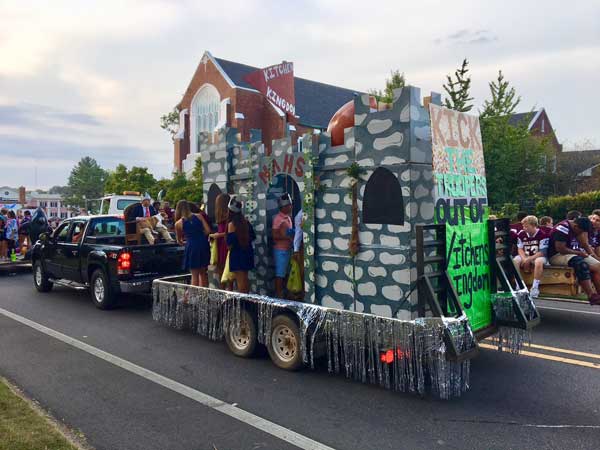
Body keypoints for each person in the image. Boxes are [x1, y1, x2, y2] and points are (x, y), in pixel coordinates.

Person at [548, 216, 600, 305]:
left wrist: (594, 256)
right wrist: (579, 253)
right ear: (576, 226)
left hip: (574, 253)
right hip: (557, 255)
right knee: (581, 263)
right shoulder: (562, 228)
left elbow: (584, 244)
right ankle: (591, 295)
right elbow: (561, 249)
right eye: (581, 231)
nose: (581, 234)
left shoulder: (578, 227)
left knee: (597, 265)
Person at [175, 200, 211, 287]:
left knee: (194, 275)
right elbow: (208, 231)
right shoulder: (199, 216)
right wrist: (199, 235)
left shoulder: (178, 223)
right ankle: (204, 293)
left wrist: (185, 242)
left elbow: (179, 240)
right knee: (203, 273)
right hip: (203, 244)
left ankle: (194, 294)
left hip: (191, 246)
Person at [513, 215, 549, 299]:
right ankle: (519, 285)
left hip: (538, 256)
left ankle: (535, 287)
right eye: (523, 226)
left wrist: (529, 259)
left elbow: (542, 252)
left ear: (533, 225)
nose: (524, 228)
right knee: (516, 260)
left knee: (538, 261)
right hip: (526, 255)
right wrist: (524, 258)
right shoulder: (521, 234)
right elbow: (520, 248)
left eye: (526, 226)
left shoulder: (542, 234)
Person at [226, 197, 256, 293]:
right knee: (245, 279)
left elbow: (230, 244)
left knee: (240, 281)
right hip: (247, 252)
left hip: (237, 255)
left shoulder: (231, 224)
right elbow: (253, 236)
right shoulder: (246, 222)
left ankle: (243, 301)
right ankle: (247, 299)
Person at [272, 193, 295, 298]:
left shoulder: (288, 217)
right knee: (280, 274)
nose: (291, 207)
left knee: (286, 273)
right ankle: (279, 295)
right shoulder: (278, 219)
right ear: (284, 207)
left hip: (288, 249)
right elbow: (274, 235)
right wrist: (287, 237)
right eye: (289, 205)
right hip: (280, 250)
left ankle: (284, 293)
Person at [209, 193, 231, 288]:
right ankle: (229, 290)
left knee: (222, 269)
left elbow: (226, 231)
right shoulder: (229, 216)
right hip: (225, 243)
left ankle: (223, 291)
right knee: (228, 269)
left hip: (221, 243)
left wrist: (217, 235)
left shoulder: (220, 216)